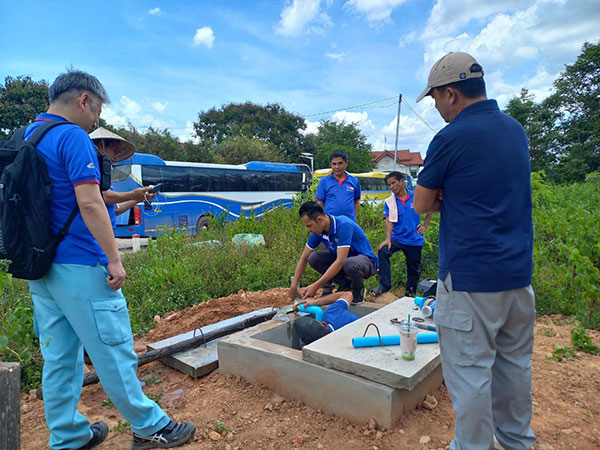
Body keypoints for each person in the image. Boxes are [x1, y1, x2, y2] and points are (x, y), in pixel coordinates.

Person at [25, 69, 195, 450]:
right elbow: (89, 202)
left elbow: (82, 198)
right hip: (80, 263)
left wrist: (133, 197)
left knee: (60, 357)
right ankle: (150, 427)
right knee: (113, 347)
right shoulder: (73, 136)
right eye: (98, 110)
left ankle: (68, 436)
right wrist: (113, 258)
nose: (97, 121)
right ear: (84, 99)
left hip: (39, 266)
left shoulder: (27, 137)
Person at [413, 52, 535, 450]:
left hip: (469, 281)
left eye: (434, 99)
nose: (436, 107)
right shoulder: (515, 129)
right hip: (517, 278)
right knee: (514, 368)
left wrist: (448, 196)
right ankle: (516, 441)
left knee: (469, 373)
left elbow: (421, 203)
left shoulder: (450, 137)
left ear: (451, 94)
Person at [288, 201, 377, 304]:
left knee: (349, 263)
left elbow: (340, 261)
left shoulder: (343, 225)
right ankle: (345, 285)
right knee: (313, 258)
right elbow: (304, 258)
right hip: (346, 264)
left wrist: (316, 286)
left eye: (309, 226)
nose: (309, 229)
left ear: (319, 220)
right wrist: (294, 286)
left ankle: (358, 290)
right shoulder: (318, 232)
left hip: (365, 263)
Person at [372, 171, 432, 297]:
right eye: (389, 185)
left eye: (394, 183)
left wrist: (425, 225)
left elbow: (429, 208)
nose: (392, 186)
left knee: (413, 269)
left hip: (414, 239)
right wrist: (388, 239)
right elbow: (388, 221)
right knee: (383, 250)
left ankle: (409, 294)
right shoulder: (390, 201)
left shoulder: (415, 196)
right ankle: (385, 284)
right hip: (398, 238)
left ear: (401, 181)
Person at [89, 128, 158, 229]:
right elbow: (104, 196)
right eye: (114, 150)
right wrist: (132, 194)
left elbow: (115, 210)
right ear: (101, 146)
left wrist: (139, 198)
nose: (115, 157)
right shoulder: (89, 171)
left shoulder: (103, 177)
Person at [293, 291, 358, 346]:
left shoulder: (337, 346)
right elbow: (348, 294)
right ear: (324, 323)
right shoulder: (331, 312)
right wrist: (315, 302)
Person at [315, 150, 361, 221]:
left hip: (349, 222)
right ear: (331, 164)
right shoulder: (324, 181)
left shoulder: (354, 181)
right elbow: (320, 203)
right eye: (334, 164)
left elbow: (356, 202)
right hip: (330, 223)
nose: (337, 167)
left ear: (346, 163)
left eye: (340, 163)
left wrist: (354, 219)